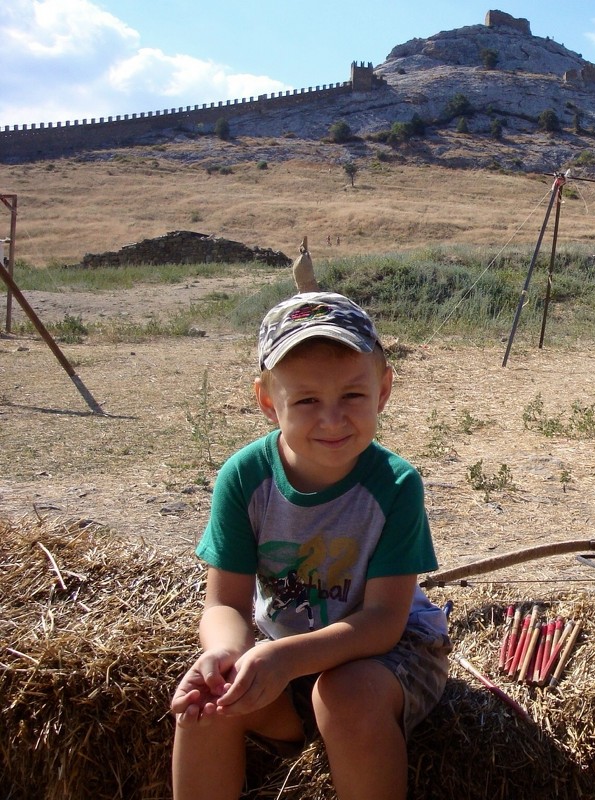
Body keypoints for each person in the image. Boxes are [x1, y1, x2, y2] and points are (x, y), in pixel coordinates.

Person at [171, 292, 451, 800]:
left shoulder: (394, 486)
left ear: (383, 390)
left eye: (352, 396)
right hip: (283, 652)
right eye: (306, 401)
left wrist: (283, 660)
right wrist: (228, 651)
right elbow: (224, 604)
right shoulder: (244, 478)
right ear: (266, 401)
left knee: (345, 698)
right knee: (206, 704)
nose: (332, 419)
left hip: (387, 656)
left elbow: (384, 622)